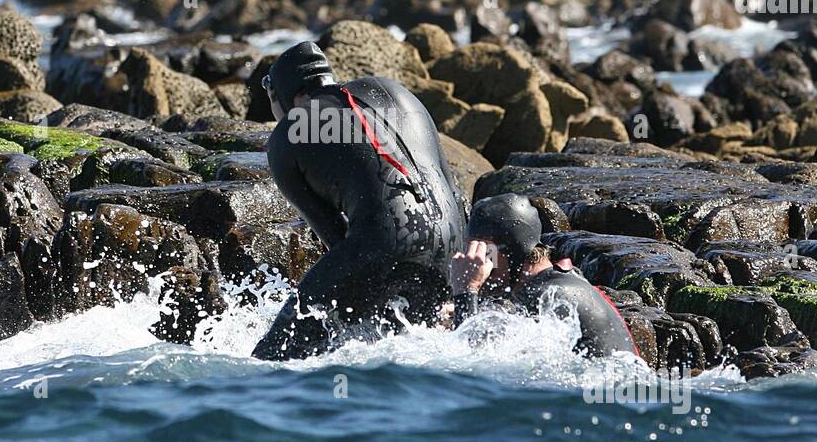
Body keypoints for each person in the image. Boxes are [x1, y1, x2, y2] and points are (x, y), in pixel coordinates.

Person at [252, 42, 468, 360]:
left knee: (275, 354)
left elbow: (335, 238)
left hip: (385, 241)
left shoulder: (287, 133)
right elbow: (451, 188)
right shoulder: (394, 89)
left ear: (283, 96)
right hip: (453, 240)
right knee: (425, 350)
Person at [450, 193, 639, 357]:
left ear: (513, 252)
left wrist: (466, 290)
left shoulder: (551, 296)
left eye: (484, 253)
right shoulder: (560, 282)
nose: (479, 264)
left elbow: (471, 356)